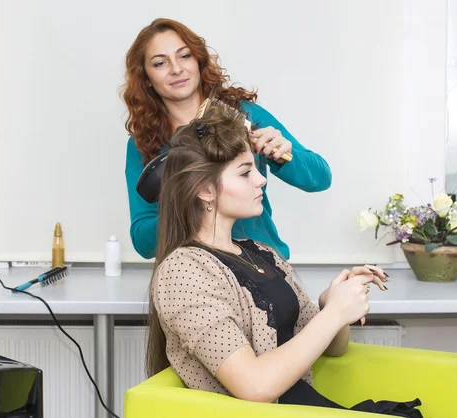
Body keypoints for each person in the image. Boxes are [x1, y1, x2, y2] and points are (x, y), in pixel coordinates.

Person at [145, 101, 423, 416]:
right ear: (206, 190)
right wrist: (333, 315)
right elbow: (254, 386)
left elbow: (334, 347)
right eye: (245, 172)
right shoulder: (184, 271)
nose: (261, 180)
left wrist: (331, 303)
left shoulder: (261, 253)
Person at [122, 18, 332, 261]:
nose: (176, 69)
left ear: (199, 60)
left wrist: (284, 156)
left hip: (263, 267)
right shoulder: (144, 144)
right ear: (146, 77)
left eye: (184, 56)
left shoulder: (244, 114)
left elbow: (321, 179)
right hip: (193, 276)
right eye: (160, 63)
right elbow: (143, 242)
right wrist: (187, 199)